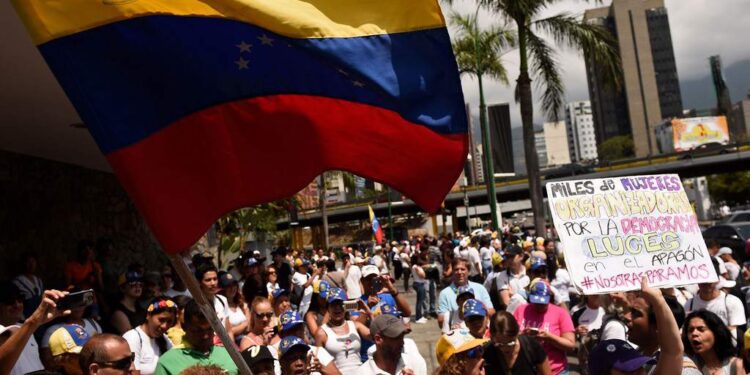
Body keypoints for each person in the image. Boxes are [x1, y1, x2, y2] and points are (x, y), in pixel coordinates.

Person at [627, 289, 700, 375]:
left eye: (636, 313)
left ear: (660, 324)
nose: (627, 317)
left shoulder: (684, 370)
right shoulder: (636, 354)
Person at [154, 299, 238, 375]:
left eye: (209, 329)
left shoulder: (230, 354)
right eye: (198, 331)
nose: (205, 336)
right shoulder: (167, 362)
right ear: (184, 327)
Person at [512, 279, 575, 375]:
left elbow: (570, 345)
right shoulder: (521, 310)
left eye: (543, 303)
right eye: (536, 302)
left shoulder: (561, 313)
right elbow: (510, 336)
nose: (539, 306)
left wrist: (549, 337)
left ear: (549, 299)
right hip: (527, 369)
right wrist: (522, 336)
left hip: (556, 370)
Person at [0, 288, 68, 375]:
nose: (17, 305)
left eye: (20, 299)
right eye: (9, 302)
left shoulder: (28, 328)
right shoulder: (30, 325)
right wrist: (33, 321)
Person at [684, 258, 745, 340]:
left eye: (710, 278)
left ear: (717, 279)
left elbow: (735, 332)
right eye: (703, 279)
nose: (707, 282)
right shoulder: (689, 304)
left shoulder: (731, 302)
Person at [315, 288, 370, 373]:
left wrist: (368, 312)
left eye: (340, 304)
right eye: (333, 304)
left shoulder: (355, 325)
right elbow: (318, 362)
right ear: (328, 308)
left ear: (347, 306)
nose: (337, 308)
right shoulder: (321, 332)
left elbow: (377, 337)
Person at [40, 299, 103, 370]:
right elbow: (48, 362)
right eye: (77, 355)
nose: (79, 307)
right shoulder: (53, 330)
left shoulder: (93, 324)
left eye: (81, 304)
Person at [483, 311, 551, 375]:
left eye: (511, 343)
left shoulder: (532, 346)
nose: (505, 348)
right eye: (499, 344)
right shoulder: (486, 352)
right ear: (491, 337)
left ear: (518, 333)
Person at [437, 258, 494, 333]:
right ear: (452, 272)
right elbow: (441, 320)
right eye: (456, 269)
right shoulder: (445, 293)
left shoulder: (480, 288)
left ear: (468, 271)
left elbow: (492, 312)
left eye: (463, 269)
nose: (459, 272)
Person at [277, 310, 341, 375]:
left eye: (299, 328)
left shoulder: (318, 352)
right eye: (292, 330)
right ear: (281, 334)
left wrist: (321, 368)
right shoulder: (276, 356)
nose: (297, 332)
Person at [123, 298, 176, 375]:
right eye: (161, 320)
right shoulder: (132, 337)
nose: (165, 326)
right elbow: (134, 372)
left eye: (169, 322)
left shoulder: (164, 339)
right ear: (148, 315)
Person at [358, 315, 425, 375]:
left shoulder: (415, 363)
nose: (402, 343)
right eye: (396, 338)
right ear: (378, 339)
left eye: (402, 337)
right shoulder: (362, 372)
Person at [683, 310, 745, 375]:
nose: (694, 333)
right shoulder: (688, 365)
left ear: (716, 332)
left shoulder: (735, 365)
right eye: (690, 330)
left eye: (701, 329)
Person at [194, 264, 233, 343]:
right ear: (199, 282)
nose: (213, 283)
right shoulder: (195, 304)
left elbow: (228, 330)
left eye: (215, 279)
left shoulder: (222, 300)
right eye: (208, 280)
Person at [486, 245, 529, 314]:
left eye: (512, 256)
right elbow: (507, 303)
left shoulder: (530, 273)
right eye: (507, 257)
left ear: (521, 256)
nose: (509, 260)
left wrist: (513, 296)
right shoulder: (501, 276)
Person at [218, 272, 250, 344]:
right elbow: (228, 331)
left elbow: (249, 327)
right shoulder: (221, 307)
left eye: (234, 285)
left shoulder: (242, 304)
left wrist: (237, 328)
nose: (232, 288)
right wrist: (243, 325)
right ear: (222, 289)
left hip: (247, 339)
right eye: (228, 286)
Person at [13, 252, 44, 319]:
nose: (31, 264)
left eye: (33, 261)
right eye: (28, 262)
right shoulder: (17, 282)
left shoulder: (38, 280)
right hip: (27, 316)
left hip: (40, 316)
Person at [411, 255, 429, 324]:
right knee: (419, 301)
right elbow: (422, 275)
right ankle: (418, 318)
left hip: (420, 283)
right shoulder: (415, 267)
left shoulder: (417, 266)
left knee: (421, 300)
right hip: (419, 284)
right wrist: (423, 272)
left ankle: (420, 316)